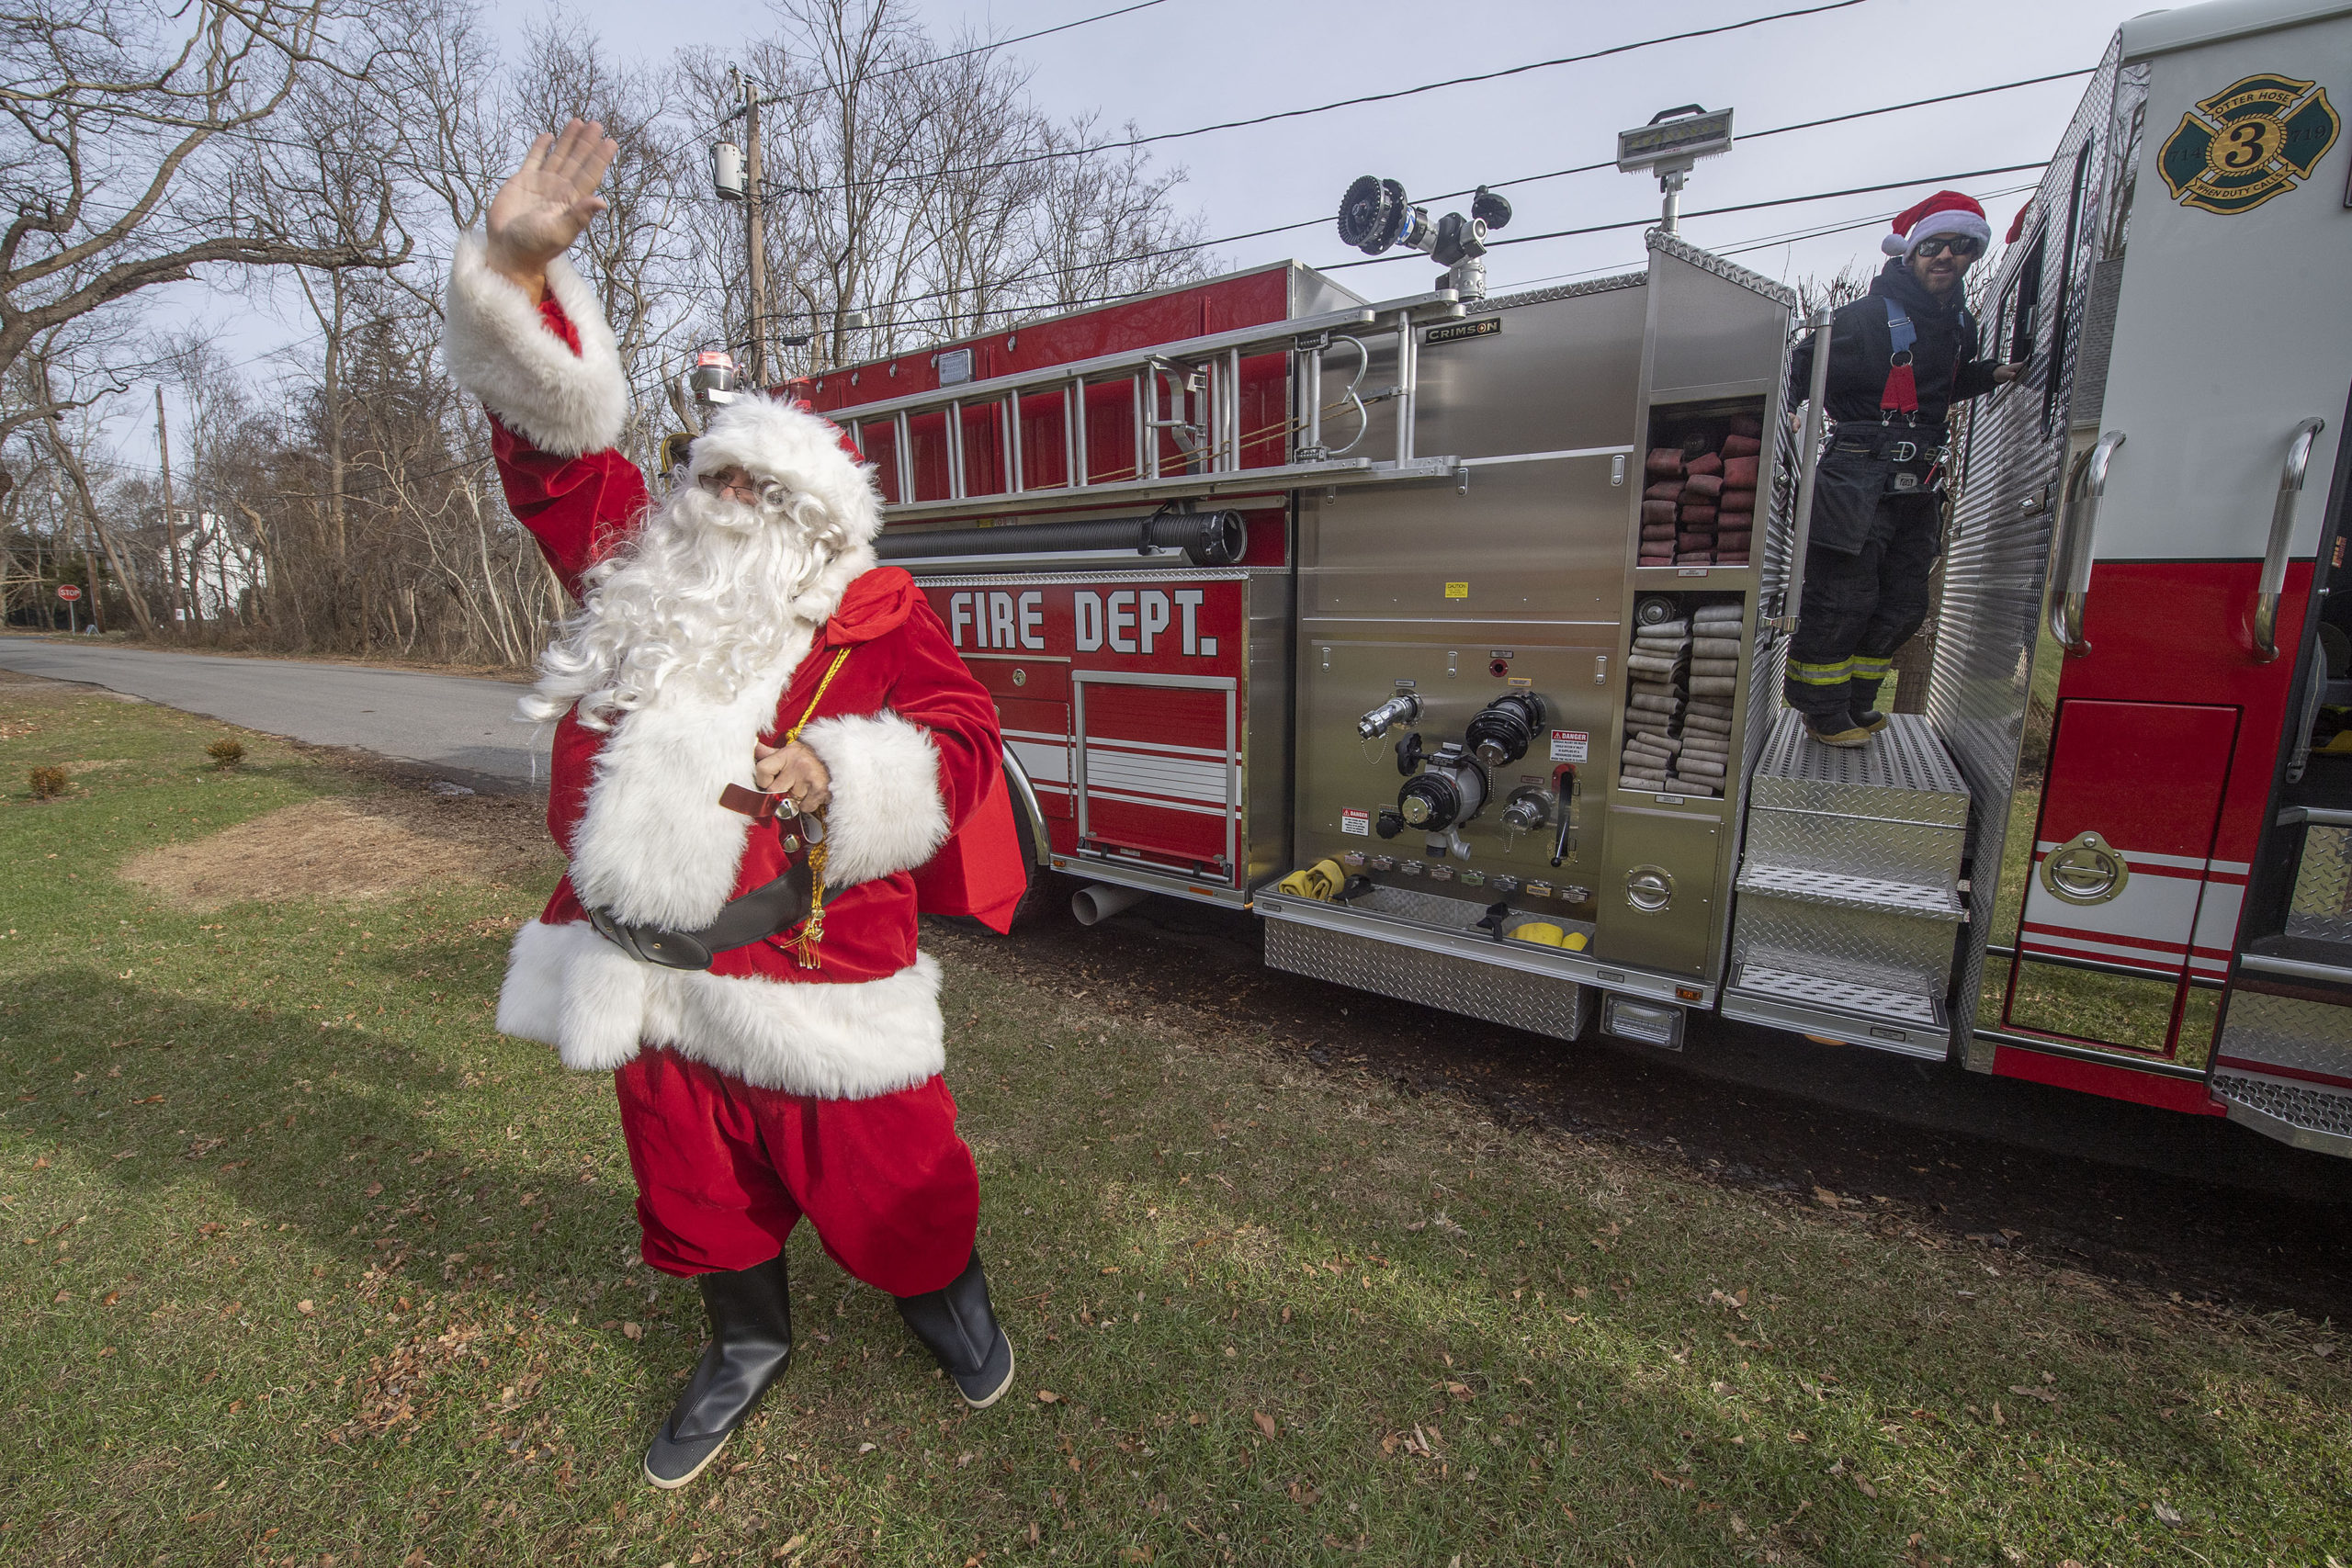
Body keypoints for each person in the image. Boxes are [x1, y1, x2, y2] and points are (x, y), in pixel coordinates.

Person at [442, 121, 1027, 1490]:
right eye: (709, 477)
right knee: (696, 1188)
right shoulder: (638, 577)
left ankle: (940, 1289)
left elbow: (961, 737)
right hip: (651, 968)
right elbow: (554, 451)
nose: (721, 504)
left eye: (758, 489)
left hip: (819, 970)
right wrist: (517, 281)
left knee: (897, 1180)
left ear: (816, 522)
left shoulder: (875, 613)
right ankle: (745, 1340)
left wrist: (844, 774)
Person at [1782, 190, 2024, 747]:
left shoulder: (1960, 323)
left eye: (1960, 247)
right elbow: (1799, 368)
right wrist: (1791, 412)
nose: (1946, 257)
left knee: (1902, 602)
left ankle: (1858, 702)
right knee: (1843, 597)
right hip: (1856, 476)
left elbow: (1940, 385)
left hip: (1919, 485)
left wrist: (1992, 375)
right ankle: (1822, 710)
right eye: (1934, 245)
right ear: (1910, 251)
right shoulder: (1863, 318)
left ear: (1971, 254)